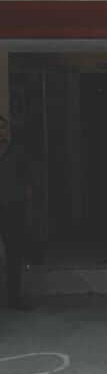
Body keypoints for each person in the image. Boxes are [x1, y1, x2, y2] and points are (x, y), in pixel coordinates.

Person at [0, 115, 32, 310]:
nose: (1, 131)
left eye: (3, 127)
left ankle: (14, 298)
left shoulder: (18, 152)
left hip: (13, 209)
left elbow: (28, 185)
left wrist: (26, 209)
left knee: (14, 254)